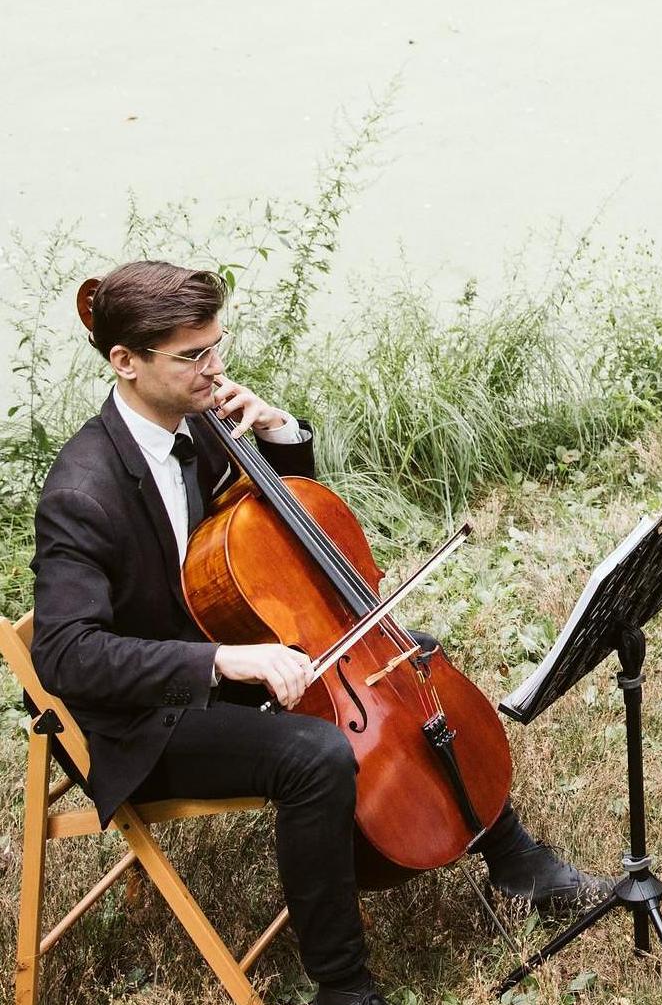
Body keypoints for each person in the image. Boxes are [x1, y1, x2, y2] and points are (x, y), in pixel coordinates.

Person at [31, 261, 609, 1005]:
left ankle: (515, 857)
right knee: (317, 753)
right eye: (194, 355)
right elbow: (66, 653)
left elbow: (279, 526)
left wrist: (279, 433)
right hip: (149, 719)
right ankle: (343, 985)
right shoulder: (82, 489)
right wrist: (224, 658)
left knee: (412, 656)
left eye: (218, 346)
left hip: (223, 666)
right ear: (125, 361)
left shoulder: (198, 422)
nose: (215, 369)